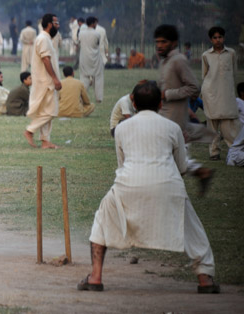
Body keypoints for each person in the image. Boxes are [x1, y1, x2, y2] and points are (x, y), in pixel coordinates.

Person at [77, 81, 220, 294]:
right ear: (160, 103)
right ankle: (205, 279)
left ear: (133, 102)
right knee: (192, 229)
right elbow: (181, 166)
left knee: (101, 222)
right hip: (168, 184)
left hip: (128, 184)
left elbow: (122, 164)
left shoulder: (121, 128)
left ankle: (95, 277)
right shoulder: (172, 127)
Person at [156, 24, 215, 195]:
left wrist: (167, 94)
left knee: (169, 158)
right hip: (165, 116)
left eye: (163, 42)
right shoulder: (165, 61)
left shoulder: (179, 60)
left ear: (173, 43)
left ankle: (178, 189)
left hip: (175, 119)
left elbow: (193, 88)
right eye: (157, 42)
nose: (159, 45)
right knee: (169, 157)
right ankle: (200, 172)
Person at [201, 26, 242, 160]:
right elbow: (205, 75)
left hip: (226, 93)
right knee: (212, 124)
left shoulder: (231, 53)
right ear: (211, 39)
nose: (218, 40)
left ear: (223, 38)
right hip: (211, 93)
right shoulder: (206, 55)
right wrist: (206, 92)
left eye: (220, 37)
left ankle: (234, 150)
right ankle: (214, 152)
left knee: (229, 124)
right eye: (215, 38)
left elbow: (233, 74)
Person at [24, 13, 62, 149]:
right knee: (51, 112)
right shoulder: (43, 39)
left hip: (45, 81)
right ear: (50, 24)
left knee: (46, 111)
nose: (58, 26)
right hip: (46, 82)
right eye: (56, 23)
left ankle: (45, 141)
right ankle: (30, 130)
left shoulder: (46, 39)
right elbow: (46, 60)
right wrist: (55, 79)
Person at [78, 17, 104, 103]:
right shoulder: (97, 34)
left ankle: (81, 97)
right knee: (98, 78)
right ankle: (98, 97)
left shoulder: (81, 33)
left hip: (84, 58)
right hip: (95, 58)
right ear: (93, 23)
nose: (96, 25)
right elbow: (97, 44)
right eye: (96, 23)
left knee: (84, 78)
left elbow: (79, 43)